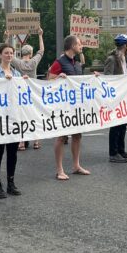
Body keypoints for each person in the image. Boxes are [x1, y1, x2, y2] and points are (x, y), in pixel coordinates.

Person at [48, 35, 91, 180]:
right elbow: (49, 79)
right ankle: (59, 169)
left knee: (78, 135)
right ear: (72, 45)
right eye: (79, 44)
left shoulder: (77, 64)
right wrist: (57, 77)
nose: (81, 46)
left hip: (77, 106)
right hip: (63, 106)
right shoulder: (59, 62)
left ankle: (76, 165)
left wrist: (95, 78)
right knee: (61, 137)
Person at [0, 43, 27, 198]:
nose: (9, 55)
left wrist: (23, 83)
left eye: (11, 53)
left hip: (13, 118)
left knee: (12, 152)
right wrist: (4, 81)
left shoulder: (17, 74)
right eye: (6, 53)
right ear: (0, 55)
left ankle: (11, 181)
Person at [9, 29, 45, 151]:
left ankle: (22, 142)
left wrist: (7, 38)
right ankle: (36, 141)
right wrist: (40, 36)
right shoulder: (34, 62)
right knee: (34, 115)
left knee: (22, 117)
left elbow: (8, 55)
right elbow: (42, 51)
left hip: (20, 93)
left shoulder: (18, 63)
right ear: (31, 53)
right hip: (32, 92)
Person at [104, 34, 127, 163]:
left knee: (123, 125)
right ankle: (113, 152)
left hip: (124, 96)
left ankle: (121, 150)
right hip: (116, 96)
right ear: (125, 45)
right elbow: (108, 77)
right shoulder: (112, 59)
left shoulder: (123, 59)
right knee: (116, 126)